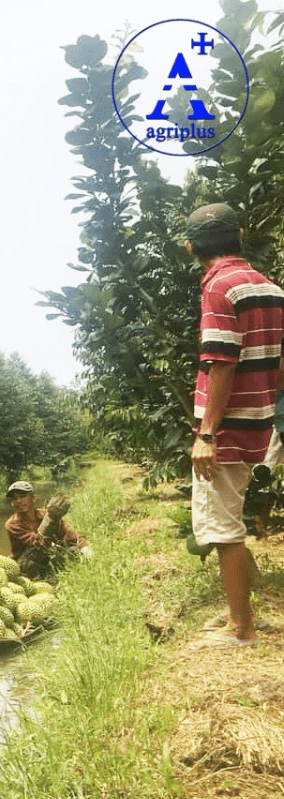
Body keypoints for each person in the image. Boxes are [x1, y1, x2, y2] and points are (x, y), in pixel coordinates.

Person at [186, 202, 284, 646]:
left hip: (226, 426)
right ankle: (235, 613)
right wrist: (263, 399)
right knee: (229, 517)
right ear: (240, 235)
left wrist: (207, 433)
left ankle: (241, 628)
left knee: (223, 528)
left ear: (191, 248)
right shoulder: (271, 288)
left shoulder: (218, 288)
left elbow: (221, 362)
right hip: (258, 421)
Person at [3, 480, 88, 579]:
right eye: (14, 498)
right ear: (12, 503)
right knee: (36, 553)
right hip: (26, 563)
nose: (18, 501)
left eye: (23, 496)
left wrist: (84, 546)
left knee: (73, 550)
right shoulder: (12, 524)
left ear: (33, 498)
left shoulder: (44, 514)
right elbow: (38, 544)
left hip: (47, 556)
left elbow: (68, 533)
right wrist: (51, 519)